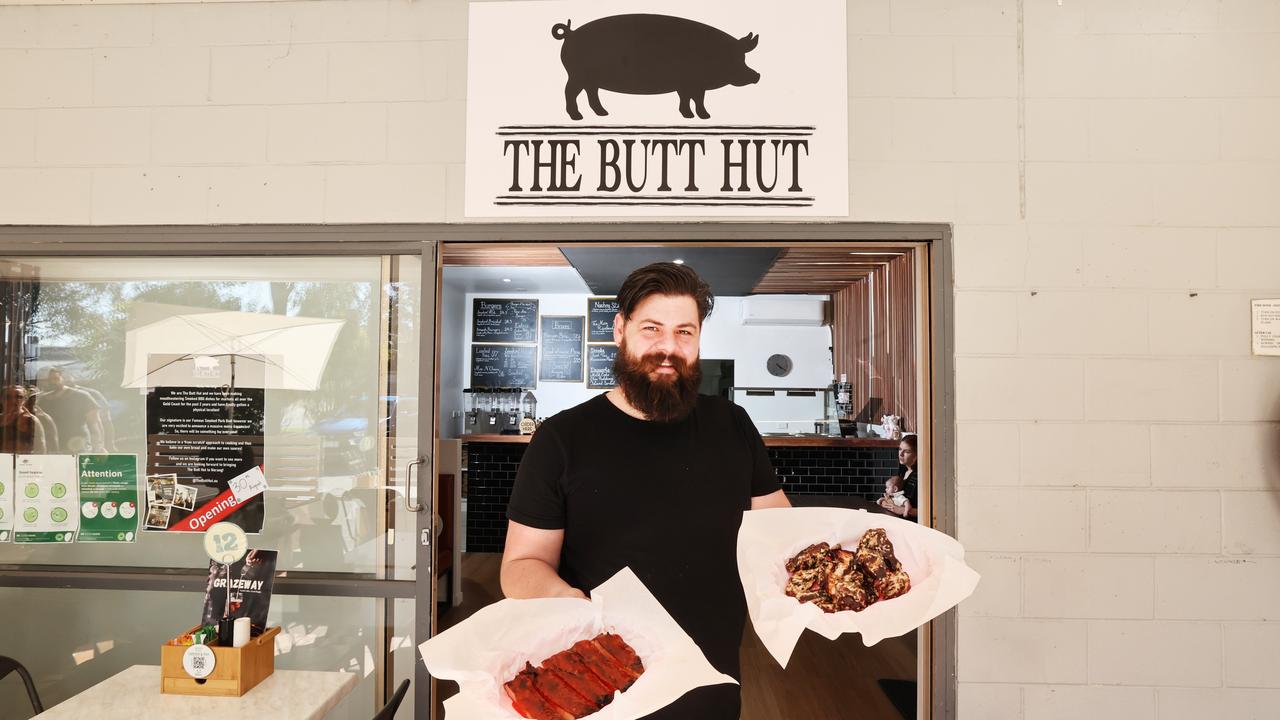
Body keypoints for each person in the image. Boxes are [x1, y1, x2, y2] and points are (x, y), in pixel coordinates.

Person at [501, 262, 790, 720]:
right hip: (601, 681)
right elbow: (520, 567)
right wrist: (567, 602)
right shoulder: (561, 438)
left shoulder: (732, 425)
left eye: (684, 332)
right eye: (652, 329)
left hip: (710, 677)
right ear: (620, 329)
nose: (668, 348)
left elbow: (780, 532)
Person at [35, 367, 104, 453]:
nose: (52, 382)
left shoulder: (82, 396)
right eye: (47, 380)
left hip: (78, 448)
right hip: (53, 450)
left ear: (62, 378)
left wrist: (98, 447)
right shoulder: (41, 401)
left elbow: (94, 425)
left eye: (55, 379)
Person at [877, 434, 920, 520]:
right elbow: (895, 497)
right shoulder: (903, 471)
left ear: (916, 455)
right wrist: (885, 502)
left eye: (907, 451)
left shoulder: (920, 476)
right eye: (900, 449)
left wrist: (902, 510)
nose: (901, 454)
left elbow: (929, 510)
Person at [1, 384, 47, 454]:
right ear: (1, 399)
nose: (13, 400)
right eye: (8, 397)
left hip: (22, 462)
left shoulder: (30, 420)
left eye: (18, 397)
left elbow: (41, 449)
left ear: (25, 399)